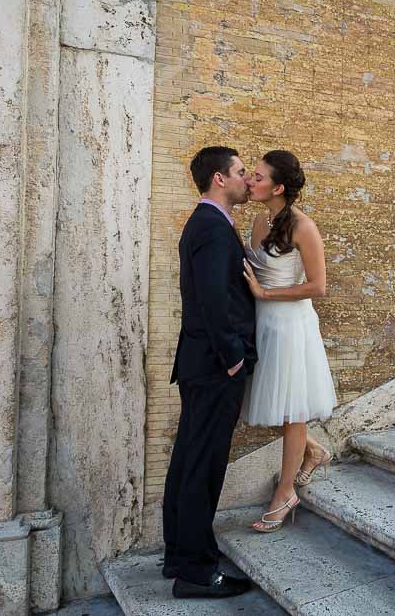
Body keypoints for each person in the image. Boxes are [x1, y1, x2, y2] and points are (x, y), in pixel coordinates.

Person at [164, 146, 256, 599]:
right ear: (219, 179)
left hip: (200, 362)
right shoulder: (213, 229)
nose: (245, 179)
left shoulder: (205, 223)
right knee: (204, 465)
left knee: (188, 459)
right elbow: (215, 301)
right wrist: (234, 357)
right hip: (217, 365)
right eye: (241, 172)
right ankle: (198, 572)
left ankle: (179, 555)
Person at [240, 149, 337, 532]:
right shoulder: (259, 219)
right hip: (264, 323)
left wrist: (266, 296)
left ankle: (285, 492)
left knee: (292, 408)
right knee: (277, 403)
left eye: (259, 177)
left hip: (291, 325)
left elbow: (318, 285)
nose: (250, 180)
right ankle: (313, 450)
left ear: (278, 187)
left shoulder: (303, 226)